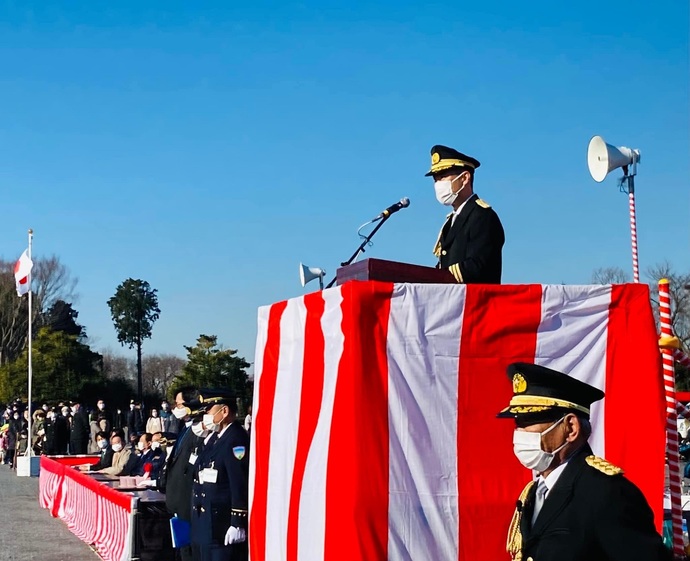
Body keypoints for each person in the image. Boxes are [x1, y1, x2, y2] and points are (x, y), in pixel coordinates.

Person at [498, 362, 671, 561]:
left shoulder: (607, 493)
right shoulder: (533, 493)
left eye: (528, 422)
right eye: (517, 423)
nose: (519, 433)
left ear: (570, 428)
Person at [426, 145, 505, 284]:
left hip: (476, 302)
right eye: (436, 179)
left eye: (443, 176)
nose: (438, 184)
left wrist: (440, 278)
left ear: (464, 178)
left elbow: (479, 266)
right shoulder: (450, 222)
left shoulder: (483, 216)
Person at [191, 388, 249, 561]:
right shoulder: (216, 437)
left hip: (221, 523)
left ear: (224, 411)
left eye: (208, 411)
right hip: (207, 521)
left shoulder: (236, 439)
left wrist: (237, 521)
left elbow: (239, 481)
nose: (205, 417)